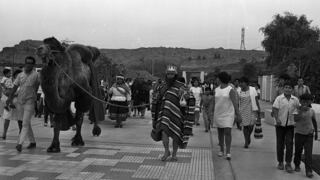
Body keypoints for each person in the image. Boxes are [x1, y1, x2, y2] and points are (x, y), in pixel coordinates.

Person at [151, 65, 195, 161]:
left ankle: (174, 154)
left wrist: (186, 95)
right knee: (164, 133)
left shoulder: (181, 86)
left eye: (172, 74)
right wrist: (156, 95)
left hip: (177, 114)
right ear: (166, 74)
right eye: (169, 74)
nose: (170, 76)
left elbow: (190, 98)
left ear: (175, 75)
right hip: (164, 114)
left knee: (176, 135)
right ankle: (167, 151)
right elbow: (156, 98)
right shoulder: (161, 86)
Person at [6, 56, 40, 152]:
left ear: (33, 65)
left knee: (24, 123)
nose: (28, 65)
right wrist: (9, 98)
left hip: (30, 101)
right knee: (26, 122)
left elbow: (37, 86)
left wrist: (35, 98)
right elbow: (15, 87)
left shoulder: (37, 75)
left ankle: (20, 143)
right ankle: (32, 142)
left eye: (31, 63)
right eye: (27, 62)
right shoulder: (20, 75)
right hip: (20, 102)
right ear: (25, 63)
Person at [212, 72, 242, 160]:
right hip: (218, 113)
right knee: (220, 132)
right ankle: (221, 149)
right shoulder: (216, 89)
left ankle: (228, 151)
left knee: (227, 132)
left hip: (228, 114)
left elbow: (235, 103)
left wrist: (238, 114)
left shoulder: (230, 89)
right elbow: (214, 102)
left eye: (217, 78)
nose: (216, 80)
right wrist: (211, 112)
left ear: (221, 79)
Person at [272, 81, 299, 173]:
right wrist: (277, 118)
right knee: (280, 144)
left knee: (289, 143)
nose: (288, 89)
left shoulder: (295, 100)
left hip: (290, 125)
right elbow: (275, 109)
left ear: (292, 90)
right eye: (286, 87)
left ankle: (288, 163)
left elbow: (297, 110)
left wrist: (296, 120)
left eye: (290, 88)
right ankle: (280, 162)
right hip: (280, 125)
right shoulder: (279, 99)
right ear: (283, 88)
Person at [293, 93, 318, 178]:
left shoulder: (311, 111)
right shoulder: (297, 110)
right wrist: (300, 111)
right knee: (298, 151)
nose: (305, 103)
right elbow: (295, 119)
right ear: (300, 101)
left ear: (310, 102)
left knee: (308, 154)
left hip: (309, 135)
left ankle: (309, 171)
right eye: (303, 101)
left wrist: (316, 133)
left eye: (307, 101)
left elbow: (314, 122)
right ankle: (297, 164)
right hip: (299, 134)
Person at [238, 77, 261, 148]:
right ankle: (246, 141)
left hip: (252, 110)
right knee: (245, 126)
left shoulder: (253, 89)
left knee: (251, 126)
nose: (240, 84)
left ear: (246, 83)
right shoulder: (238, 91)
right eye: (240, 83)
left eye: (242, 82)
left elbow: (256, 100)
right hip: (243, 111)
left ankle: (248, 137)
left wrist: (259, 110)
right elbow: (237, 103)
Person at [1, 69, 23, 139]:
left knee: (20, 118)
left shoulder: (22, 83)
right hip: (9, 102)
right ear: (14, 75)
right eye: (18, 75)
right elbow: (5, 91)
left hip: (18, 103)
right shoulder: (9, 81)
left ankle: (21, 132)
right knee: (7, 118)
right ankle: (4, 133)